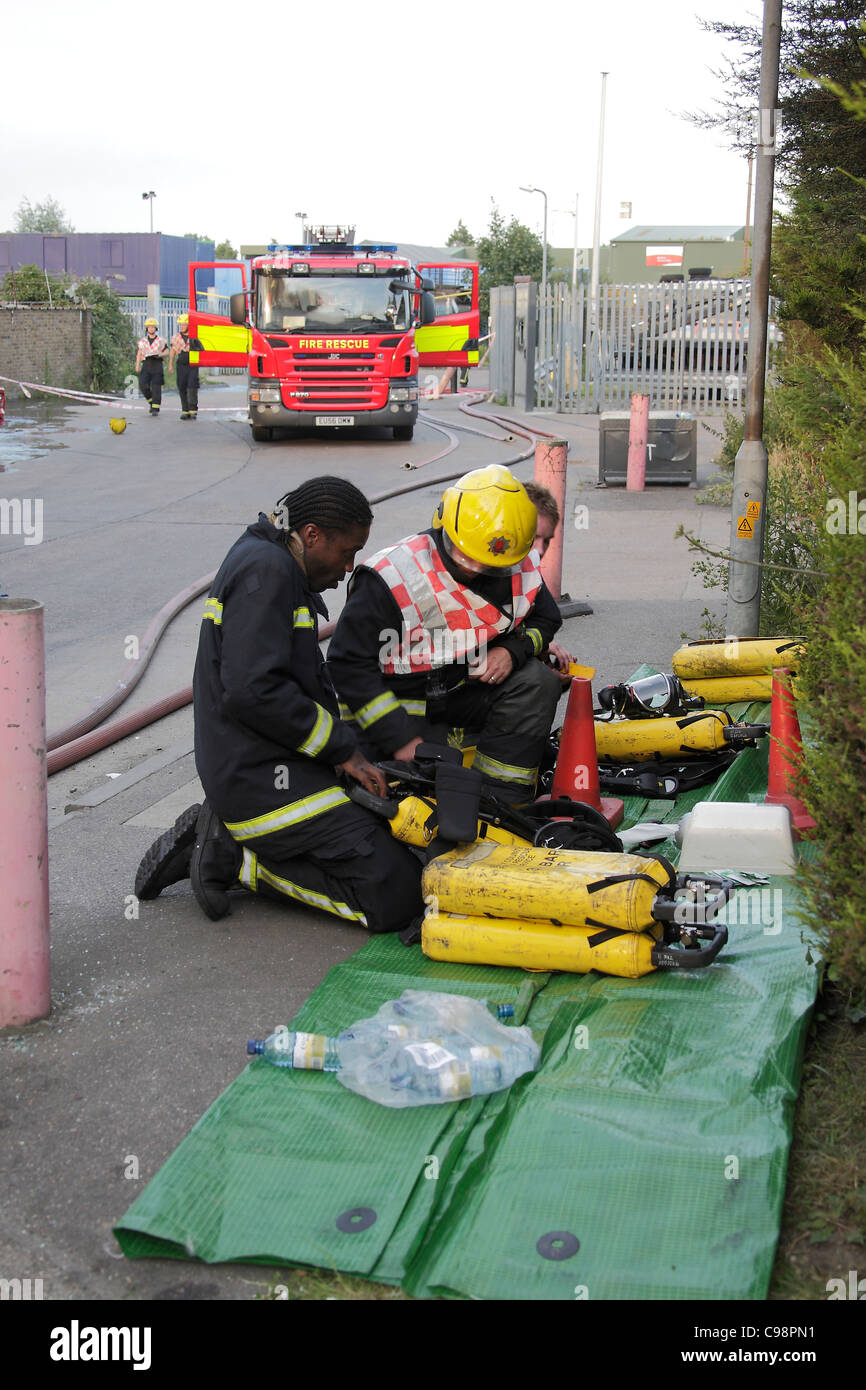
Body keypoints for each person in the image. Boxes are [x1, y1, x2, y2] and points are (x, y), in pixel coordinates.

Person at [134, 477, 425, 933]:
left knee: (399, 848)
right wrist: (342, 751)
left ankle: (236, 840)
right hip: (258, 781)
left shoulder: (274, 558)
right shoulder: (267, 571)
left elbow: (291, 680)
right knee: (396, 895)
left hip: (280, 764)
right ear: (311, 535)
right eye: (347, 552)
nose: (350, 568)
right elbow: (254, 690)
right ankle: (233, 857)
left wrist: (347, 751)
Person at [327, 465, 564, 804]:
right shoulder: (392, 576)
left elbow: (546, 619)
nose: (477, 569)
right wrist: (400, 738)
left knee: (538, 681)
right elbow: (347, 665)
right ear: (444, 527)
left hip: (460, 690)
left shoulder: (515, 562)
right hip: (396, 705)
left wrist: (513, 650)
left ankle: (500, 802)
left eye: (491, 564)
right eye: (465, 557)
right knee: (400, 802)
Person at [523, 481, 576, 677]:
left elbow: (546, 619)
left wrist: (542, 651)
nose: (541, 550)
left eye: (546, 540)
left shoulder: (528, 572)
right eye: (533, 536)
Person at [169, 313, 203, 420]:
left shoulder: (195, 336)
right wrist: (170, 364)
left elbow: (202, 349)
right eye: (181, 325)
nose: (182, 326)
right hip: (181, 363)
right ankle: (185, 410)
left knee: (192, 385)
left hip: (192, 363)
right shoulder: (176, 337)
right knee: (182, 386)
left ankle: (193, 410)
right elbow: (173, 350)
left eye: (184, 324)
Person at [135, 318, 169, 416]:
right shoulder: (143, 341)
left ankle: (155, 408)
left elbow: (166, 351)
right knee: (142, 384)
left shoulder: (161, 340)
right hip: (146, 363)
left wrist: (160, 355)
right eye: (149, 327)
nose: (151, 329)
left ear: (156, 328)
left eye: (153, 327)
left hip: (157, 363)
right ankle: (151, 402)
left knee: (156, 386)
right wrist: (137, 365)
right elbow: (139, 353)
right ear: (147, 328)